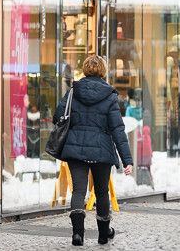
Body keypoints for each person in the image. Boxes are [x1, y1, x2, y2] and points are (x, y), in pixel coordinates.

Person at [55, 55, 133, 247]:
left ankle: (77, 234)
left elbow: (57, 116)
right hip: (102, 151)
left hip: (75, 149)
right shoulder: (110, 95)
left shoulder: (73, 92)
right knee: (102, 192)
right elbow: (117, 129)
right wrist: (127, 160)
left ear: (85, 69)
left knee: (78, 191)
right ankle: (103, 234)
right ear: (103, 71)